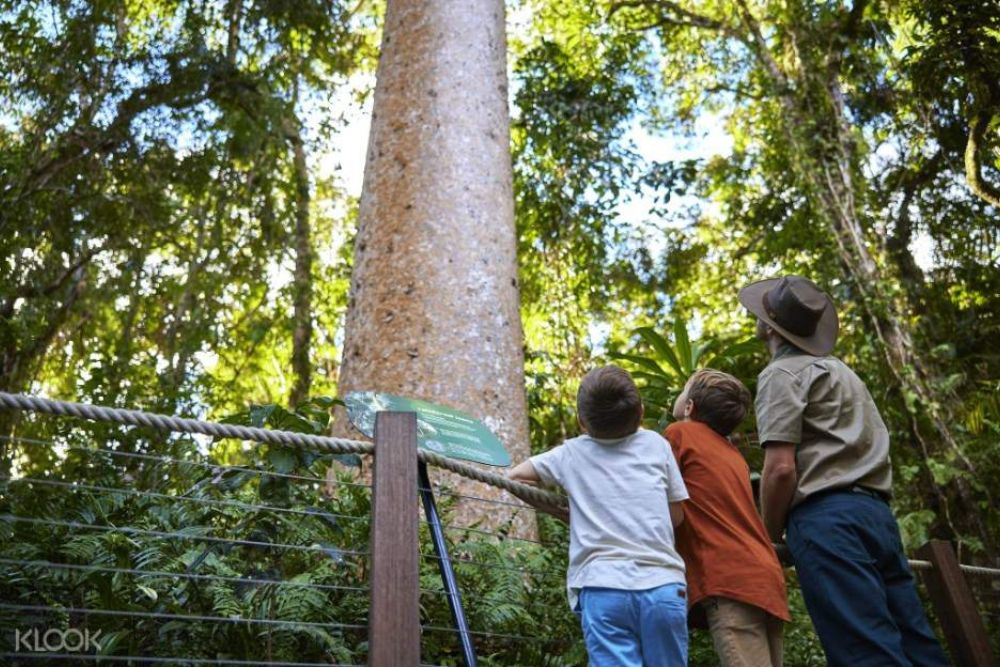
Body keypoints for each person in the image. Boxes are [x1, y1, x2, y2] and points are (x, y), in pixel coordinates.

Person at [740, 275, 949, 667]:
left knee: (865, 651)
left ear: (769, 327)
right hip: (877, 516)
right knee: (916, 644)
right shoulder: (843, 373)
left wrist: (769, 535)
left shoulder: (781, 375)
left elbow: (781, 469)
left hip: (826, 521)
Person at [508, 365, 690, 666]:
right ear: (641, 413)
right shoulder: (657, 445)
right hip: (663, 587)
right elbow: (676, 516)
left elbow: (515, 478)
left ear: (581, 421)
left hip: (603, 586)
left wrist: (563, 512)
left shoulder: (571, 454)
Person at [666, 369, 790, 667]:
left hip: (730, 576)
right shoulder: (733, 454)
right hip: (765, 576)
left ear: (689, 407)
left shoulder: (680, 434)